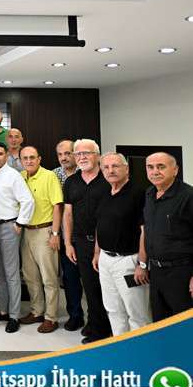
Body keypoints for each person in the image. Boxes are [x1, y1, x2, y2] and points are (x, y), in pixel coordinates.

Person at [92, 152, 151, 336]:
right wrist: (97, 253)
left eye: (115, 166)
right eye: (106, 167)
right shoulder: (104, 193)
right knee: (113, 309)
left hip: (128, 261)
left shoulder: (139, 193)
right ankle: (121, 345)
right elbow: (99, 224)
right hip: (105, 259)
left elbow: (145, 231)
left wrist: (142, 264)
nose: (110, 170)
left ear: (126, 169)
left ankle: (141, 349)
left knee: (137, 312)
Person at [63, 139, 112, 344]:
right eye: (78, 154)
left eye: (87, 153)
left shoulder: (107, 179)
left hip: (106, 243)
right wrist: (68, 243)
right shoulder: (71, 182)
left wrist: (98, 250)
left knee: (105, 288)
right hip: (81, 243)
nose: (82, 157)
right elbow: (67, 214)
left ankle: (102, 330)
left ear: (97, 155)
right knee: (90, 287)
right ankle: (95, 324)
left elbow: (107, 217)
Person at [0, 142, 35, 333]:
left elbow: (28, 201)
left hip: (9, 227)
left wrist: (20, 223)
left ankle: (14, 316)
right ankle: (3, 311)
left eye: (0, 153)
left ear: (6, 155)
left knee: (12, 274)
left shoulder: (13, 175)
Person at [143, 152, 193, 321]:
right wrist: (143, 264)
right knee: (160, 320)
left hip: (181, 273)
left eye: (161, 167)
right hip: (156, 271)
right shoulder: (149, 194)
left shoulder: (188, 196)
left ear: (175, 170)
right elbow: (147, 231)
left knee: (183, 323)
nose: (155, 171)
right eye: (150, 167)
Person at [19, 146, 63, 334]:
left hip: (45, 231)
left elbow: (57, 206)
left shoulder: (49, 176)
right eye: (25, 158)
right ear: (21, 161)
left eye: (32, 157)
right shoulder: (20, 177)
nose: (29, 161)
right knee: (30, 276)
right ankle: (37, 311)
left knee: (49, 277)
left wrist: (55, 234)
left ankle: (51, 317)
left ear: (39, 159)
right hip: (26, 232)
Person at [53, 139, 83, 331]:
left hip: (86, 234)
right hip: (65, 235)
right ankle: (75, 316)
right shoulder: (54, 175)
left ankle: (99, 319)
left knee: (92, 280)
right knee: (70, 279)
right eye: (60, 154)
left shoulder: (87, 172)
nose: (64, 158)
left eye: (68, 153)